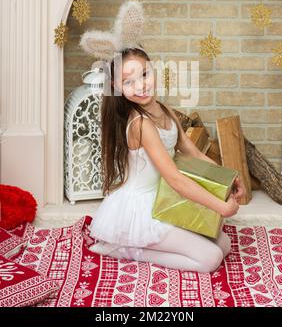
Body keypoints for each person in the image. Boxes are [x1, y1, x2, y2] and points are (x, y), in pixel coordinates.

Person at [87, 46, 245, 272]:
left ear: (154, 70)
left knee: (224, 244)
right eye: (128, 82)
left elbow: (194, 153)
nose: (141, 85)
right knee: (210, 258)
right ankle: (126, 249)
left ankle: (141, 244)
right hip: (143, 210)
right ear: (117, 88)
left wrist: (230, 178)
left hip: (166, 200)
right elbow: (174, 179)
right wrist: (221, 206)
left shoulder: (164, 110)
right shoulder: (141, 124)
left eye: (144, 74)